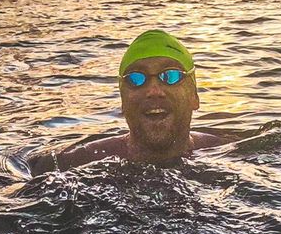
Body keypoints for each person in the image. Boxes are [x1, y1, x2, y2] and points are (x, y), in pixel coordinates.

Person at [29, 29, 231, 175]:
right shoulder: (73, 163)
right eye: (136, 78)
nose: (153, 91)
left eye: (170, 76)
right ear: (123, 102)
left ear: (194, 96)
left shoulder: (228, 151)